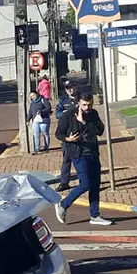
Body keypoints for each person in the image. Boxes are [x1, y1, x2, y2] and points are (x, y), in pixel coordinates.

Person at [55, 92, 112, 226]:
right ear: (78, 103)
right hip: (78, 154)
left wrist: (84, 122)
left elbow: (100, 130)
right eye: (85, 105)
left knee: (95, 185)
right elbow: (59, 133)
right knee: (85, 183)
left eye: (90, 104)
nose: (87, 107)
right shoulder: (68, 115)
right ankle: (63, 204)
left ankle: (95, 215)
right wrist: (67, 139)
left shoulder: (93, 114)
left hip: (92, 152)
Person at [55, 80, 79, 192]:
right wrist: (66, 113)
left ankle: (85, 180)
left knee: (82, 159)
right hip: (67, 135)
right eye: (67, 88)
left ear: (75, 87)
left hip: (80, 133)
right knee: (66, 159)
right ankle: (64, 182)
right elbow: (57, 114)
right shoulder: (63, 101)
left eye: (71, 87)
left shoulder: (81, 99)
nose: (69, 90)